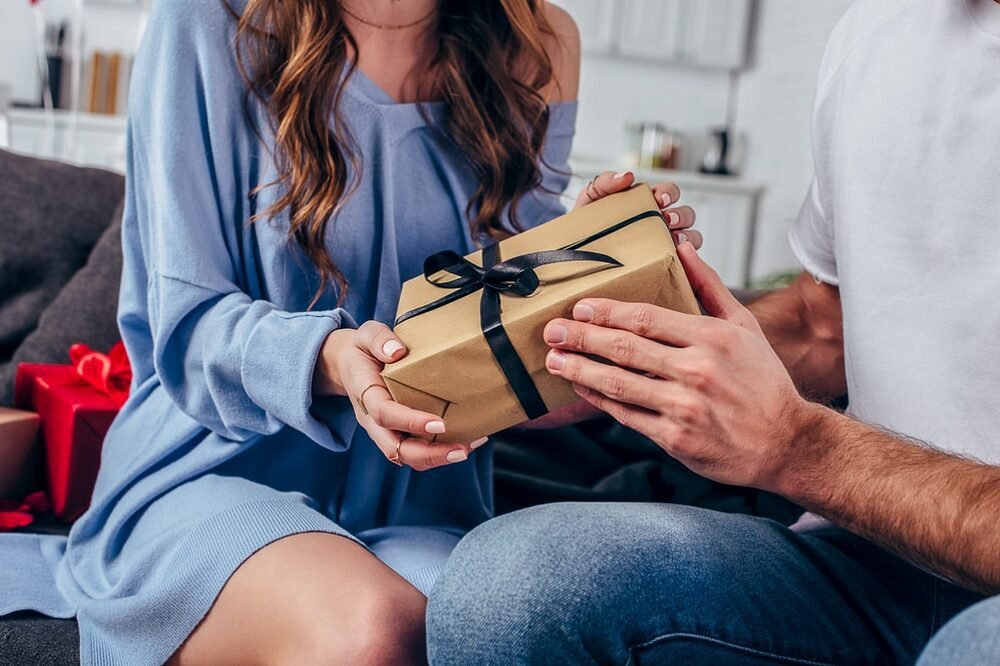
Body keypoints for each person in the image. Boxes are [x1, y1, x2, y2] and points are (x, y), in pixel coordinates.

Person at [0, 1, 704, 663]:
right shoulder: (207, 20)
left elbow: (503, 333)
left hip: (421, 497)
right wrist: (333, 361)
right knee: (375, 630)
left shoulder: (538, 42)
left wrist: (586, 268)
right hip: (205, 469)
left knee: (499, 633)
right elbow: (186, 322)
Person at [426, 0, 1000, 663]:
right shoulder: (881, 30)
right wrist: (633, 354)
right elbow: (827, 326)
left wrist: (803, 448)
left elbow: (807, 434)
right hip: (866, 562)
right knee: (506, 585)